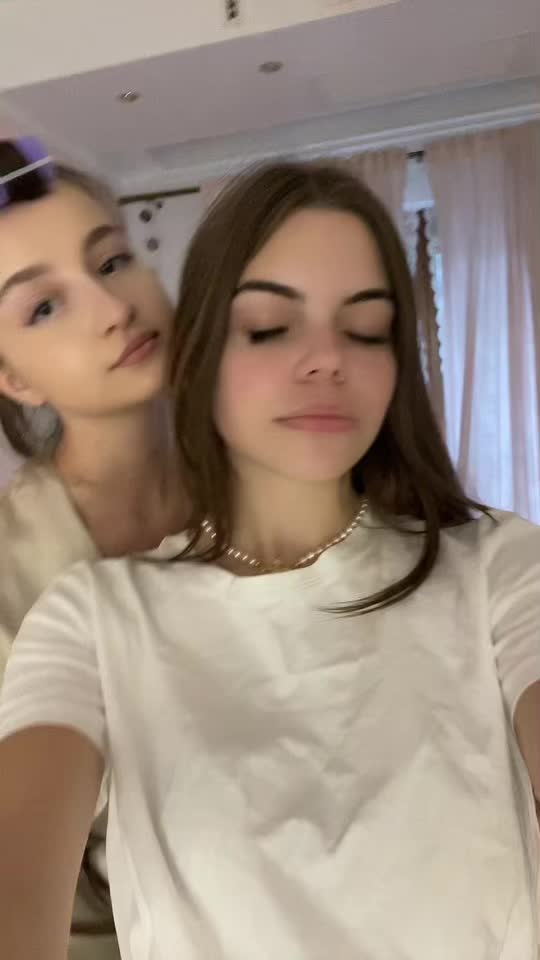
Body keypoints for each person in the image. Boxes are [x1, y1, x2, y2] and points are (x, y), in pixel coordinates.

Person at [0, 159, 539, 959]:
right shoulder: (87, 613)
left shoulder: (496, 566)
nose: (326, 359)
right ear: (204, 350)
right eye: (267, 326)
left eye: (367, 328)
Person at [0, 138, 186, 960]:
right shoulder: (10, 577)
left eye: (111, 262)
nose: (113, 308)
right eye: (44, 307)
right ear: (14, 379)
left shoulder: (284, 479)